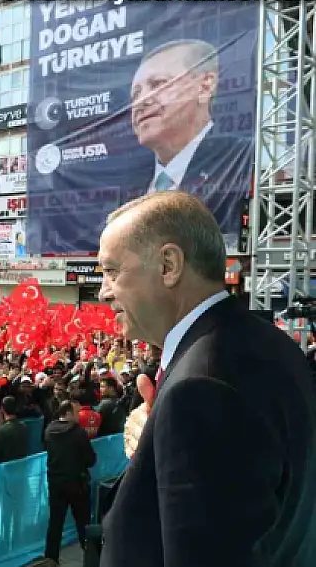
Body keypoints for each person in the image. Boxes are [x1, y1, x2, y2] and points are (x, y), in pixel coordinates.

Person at [98, 191, 316, 566]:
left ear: (169, 264)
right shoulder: (264, 343)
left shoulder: (200, 389)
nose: (103, 292)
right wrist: (158, 442)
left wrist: (174, 422)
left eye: (112, 271)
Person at [130, 40, 254, 235]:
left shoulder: (246, 158)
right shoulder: (128, 182)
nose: (141, 101)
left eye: (159, 84)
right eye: (135, 94)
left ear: (205, 86)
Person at [43, 400, 96, 563]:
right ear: (67, 413)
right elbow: (90, 459)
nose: (78, 416)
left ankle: (51, 559)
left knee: (55, 522)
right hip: (76, 483)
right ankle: (91, 557)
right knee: (83, 522)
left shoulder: (49, 429)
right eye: (75, 413)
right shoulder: (78, 432)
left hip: (56, 483)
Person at [0, 396, 29, 466]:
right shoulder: (23, 427)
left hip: (5, 471)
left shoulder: (1, 431)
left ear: (2, 409)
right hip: (21, 469)